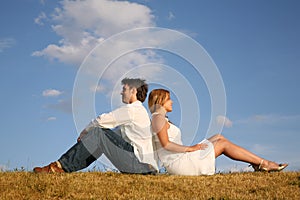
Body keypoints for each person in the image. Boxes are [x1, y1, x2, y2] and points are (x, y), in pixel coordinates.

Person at [148, 88, 288, 175]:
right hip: (180, 164)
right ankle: (264, 163)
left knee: (218, 137)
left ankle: (260, 163)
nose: (172, 102)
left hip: (181, 159)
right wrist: (191, 148)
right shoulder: (158, 119)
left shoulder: (160, 119)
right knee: (222, 144)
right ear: (160, 100)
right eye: (169, 99)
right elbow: (166, 144)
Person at [33, 78, 158, 174]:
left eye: (124, 89)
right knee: (100, 137)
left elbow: (101, 120)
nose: (121, 92)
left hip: (140, 166)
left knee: (98, 132)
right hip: (142, 166)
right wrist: (89, 139)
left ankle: (59, 167)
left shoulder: (133, 110)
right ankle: (62, 167)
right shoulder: (140, 113)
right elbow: (112, 136)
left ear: (133, 91)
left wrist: (85, 132)